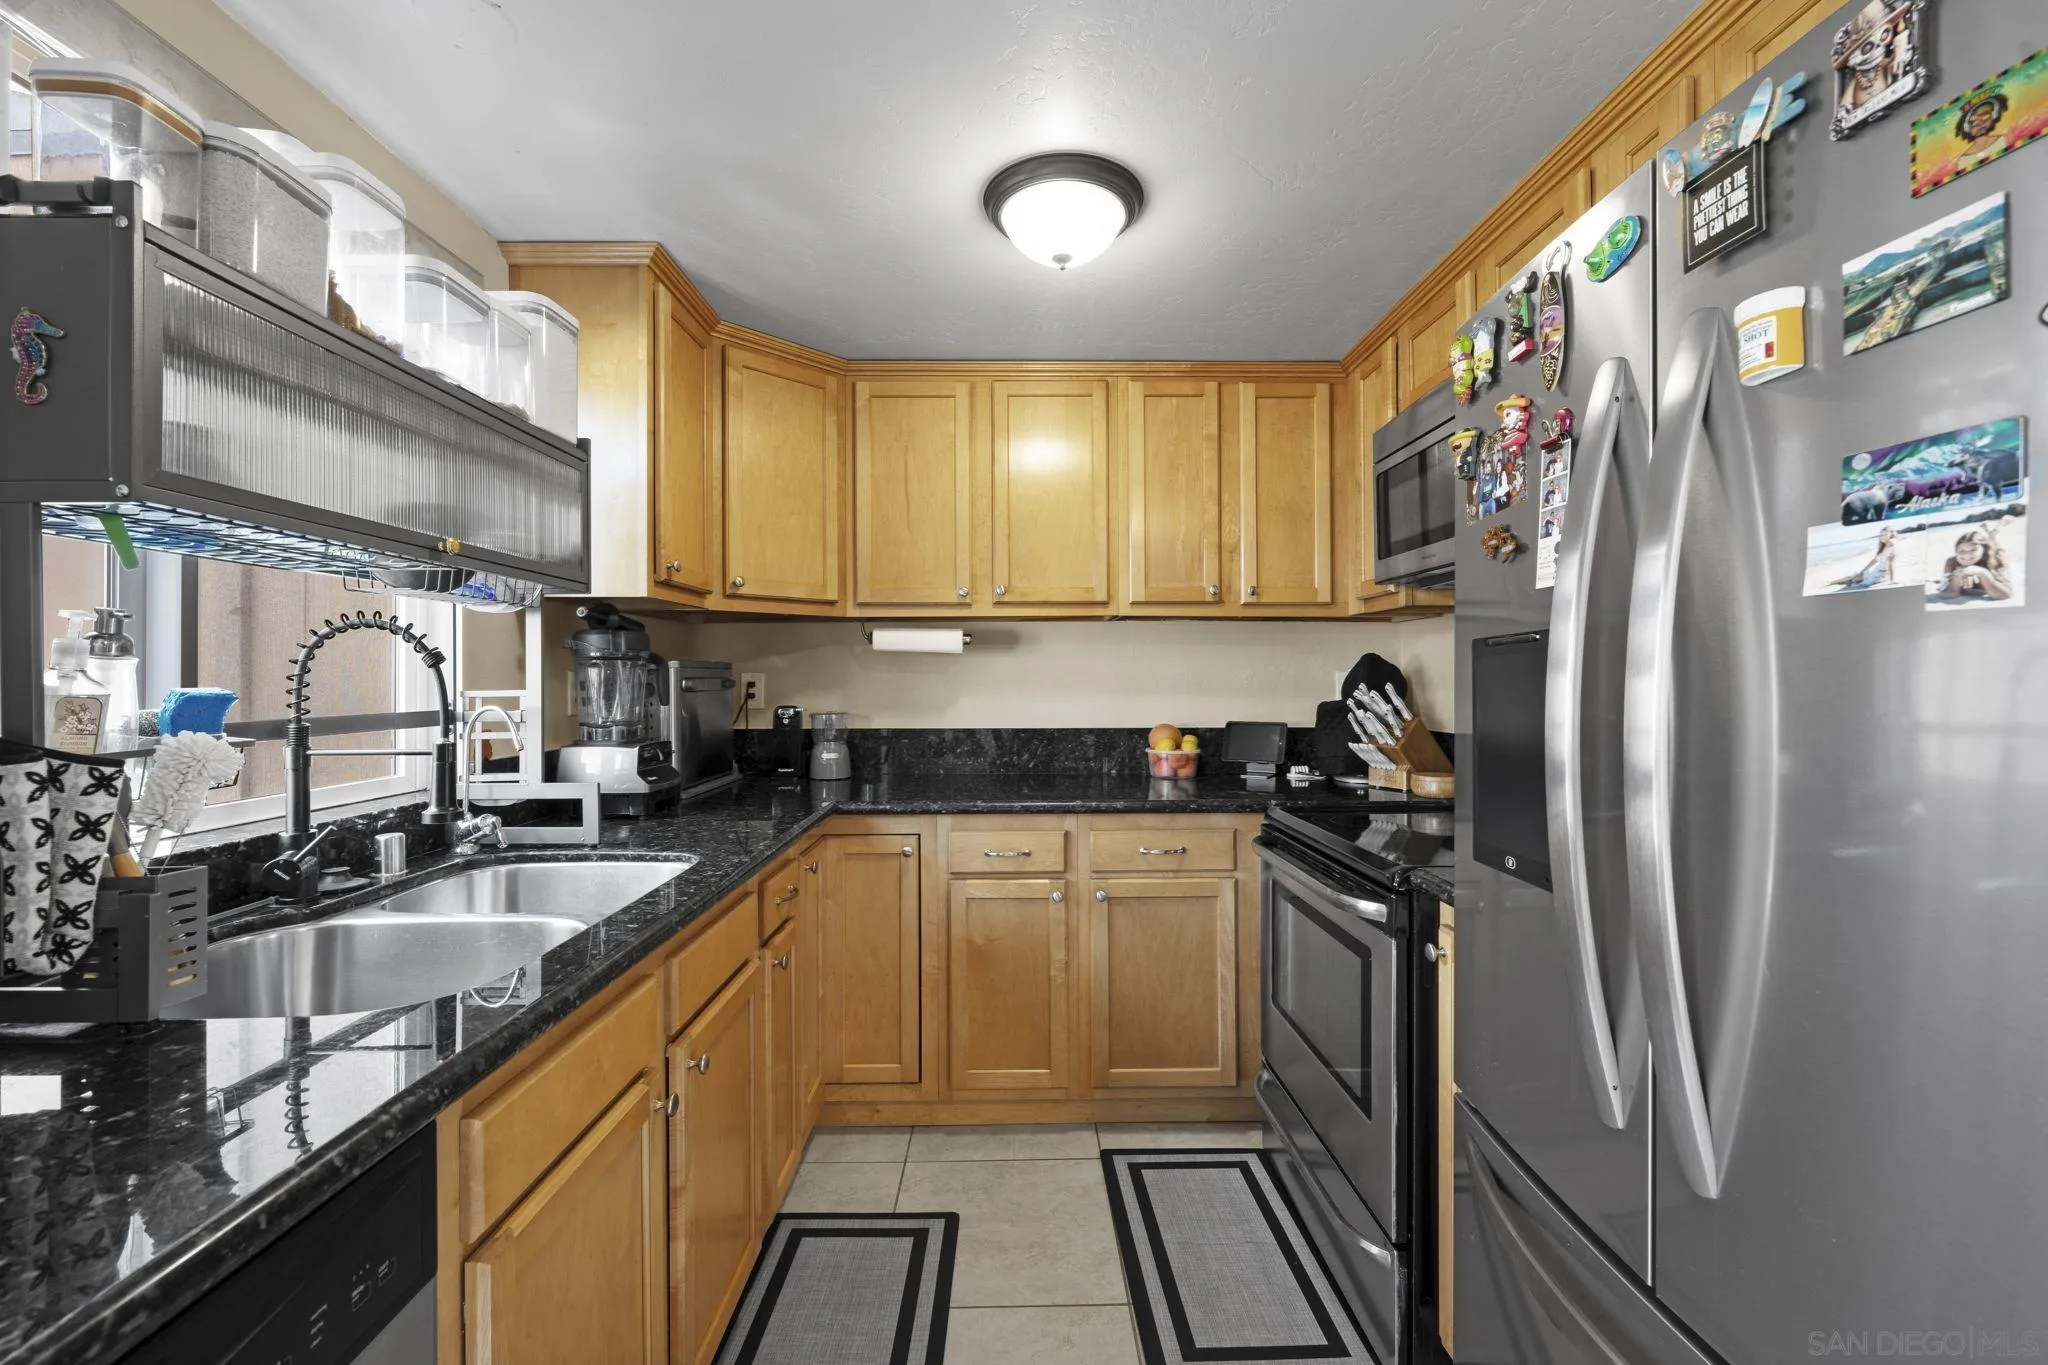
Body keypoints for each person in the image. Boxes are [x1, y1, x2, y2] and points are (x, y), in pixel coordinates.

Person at [1932, 525, 2014, 602]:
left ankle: (1993, 533)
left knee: (1996, 546)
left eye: (1973, 550)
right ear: (1956, 552)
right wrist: (1958, 575)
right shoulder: (1951, 562)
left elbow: (2006, 595)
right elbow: (1947, 595)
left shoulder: (1995, 560)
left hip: (1996, 553)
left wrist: (1982, 573)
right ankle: (1990, 533)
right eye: (1961, 551)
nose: (1967, 555)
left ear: (1983, 550)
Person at [1833, 526, 1898, 590]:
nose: (1883, 537)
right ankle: (1834, 582)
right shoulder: (1884, 546)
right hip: (1878, 571)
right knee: (1856, 574)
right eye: (1881, 535)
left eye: (1885, 534)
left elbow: (1892, 562)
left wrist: (1892, 580)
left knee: (1855, 576)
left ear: (1891, 534)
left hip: (1880, 574)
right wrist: (1863, 570)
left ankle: (1834, 582)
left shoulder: (1891, 542)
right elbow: (1874, 560)